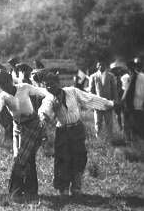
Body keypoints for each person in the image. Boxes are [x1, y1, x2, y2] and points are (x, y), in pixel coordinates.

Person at [33, 69, 114, 197]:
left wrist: (109, 104)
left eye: (51, 84)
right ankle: (63, 188)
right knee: (63, 159)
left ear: (58, 83)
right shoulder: (49, 99)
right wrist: (43, 117)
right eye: (46, 85)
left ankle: (76, 187)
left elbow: (89, 98)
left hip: (77, 129)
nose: (49, 87)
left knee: (79, 158)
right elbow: (44, 110)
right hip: (62, 132)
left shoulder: (72, 91)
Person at [0, 71, 53, 198]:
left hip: (33, 125)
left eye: (6, 83)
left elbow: (43, 92)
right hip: (18, 127)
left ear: (11, 81)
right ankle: (17, 191)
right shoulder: (3, 96)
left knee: (29, 158)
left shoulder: (24, 87)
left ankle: (29, 191)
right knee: (18, 157)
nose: (5, 87)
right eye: (2, 85)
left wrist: (46, 107)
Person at [88, 60, 120, 140]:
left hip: (108, 102)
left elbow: (114, 90)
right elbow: (91, 91)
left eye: (103, 65)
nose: (101, 66)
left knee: (109, 122)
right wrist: (92, 103)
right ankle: (99, 139)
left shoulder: (111, 76)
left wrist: (115, 101)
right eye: (99, 65)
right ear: (97, 66)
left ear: (105, 66)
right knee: (98, 122)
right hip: (97, 103)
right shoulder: (93, 76)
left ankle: (110, 139)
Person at [121, 59, 144, 141]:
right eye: (129, 67)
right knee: (128, 126)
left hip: (138, 106)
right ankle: (129, 141)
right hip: (129, 106)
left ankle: (136, 142)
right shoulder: (127, 78)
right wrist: (122, 101)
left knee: (137, 126)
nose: (130, 68)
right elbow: (125, 91)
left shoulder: (142, 77)